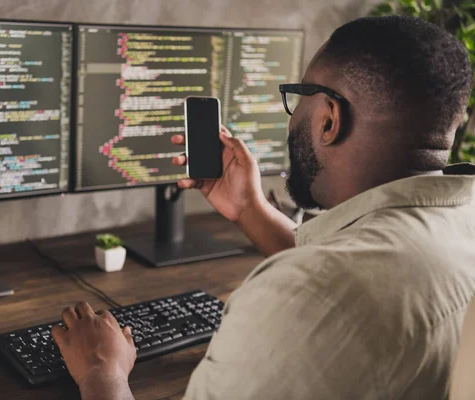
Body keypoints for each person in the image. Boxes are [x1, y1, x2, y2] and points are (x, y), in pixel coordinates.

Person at [51, 15, 475, 399]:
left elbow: (335, 289)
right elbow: (369, 265)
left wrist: (101, 374)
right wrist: (249, 209)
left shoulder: (303, 299)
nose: (292, 119)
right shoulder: (461, 223)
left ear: (329, 119)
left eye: (296, 98)